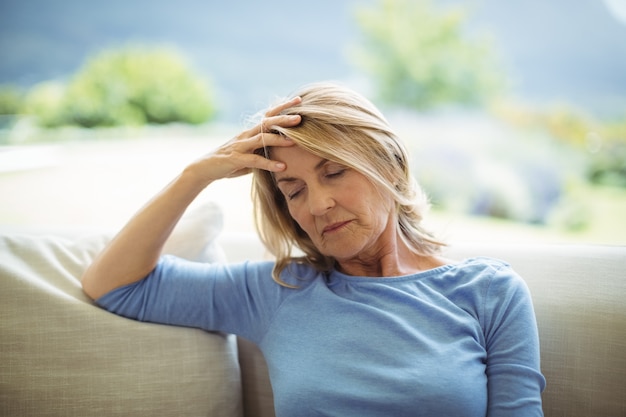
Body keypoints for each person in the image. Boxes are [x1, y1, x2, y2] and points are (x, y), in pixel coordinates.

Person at [82, 82, 546, 416]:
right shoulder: (278, 290)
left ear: (388, 165)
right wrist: (195, 176)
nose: (319, 204)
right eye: (294, 189)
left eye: (334, 172)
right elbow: (114, 287)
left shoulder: (490, 292)